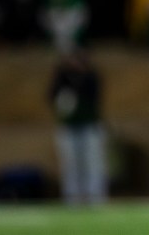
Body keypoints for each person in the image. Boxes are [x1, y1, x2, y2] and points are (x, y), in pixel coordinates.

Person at [48, 49, 108, 205]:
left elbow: (94, 96)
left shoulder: (91, 77)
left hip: (89, 125)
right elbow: (52, 97)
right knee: (70, 161)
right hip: (69, 126)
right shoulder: (61, 79)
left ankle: (95, 194)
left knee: (92, 160)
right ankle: (72, 196)